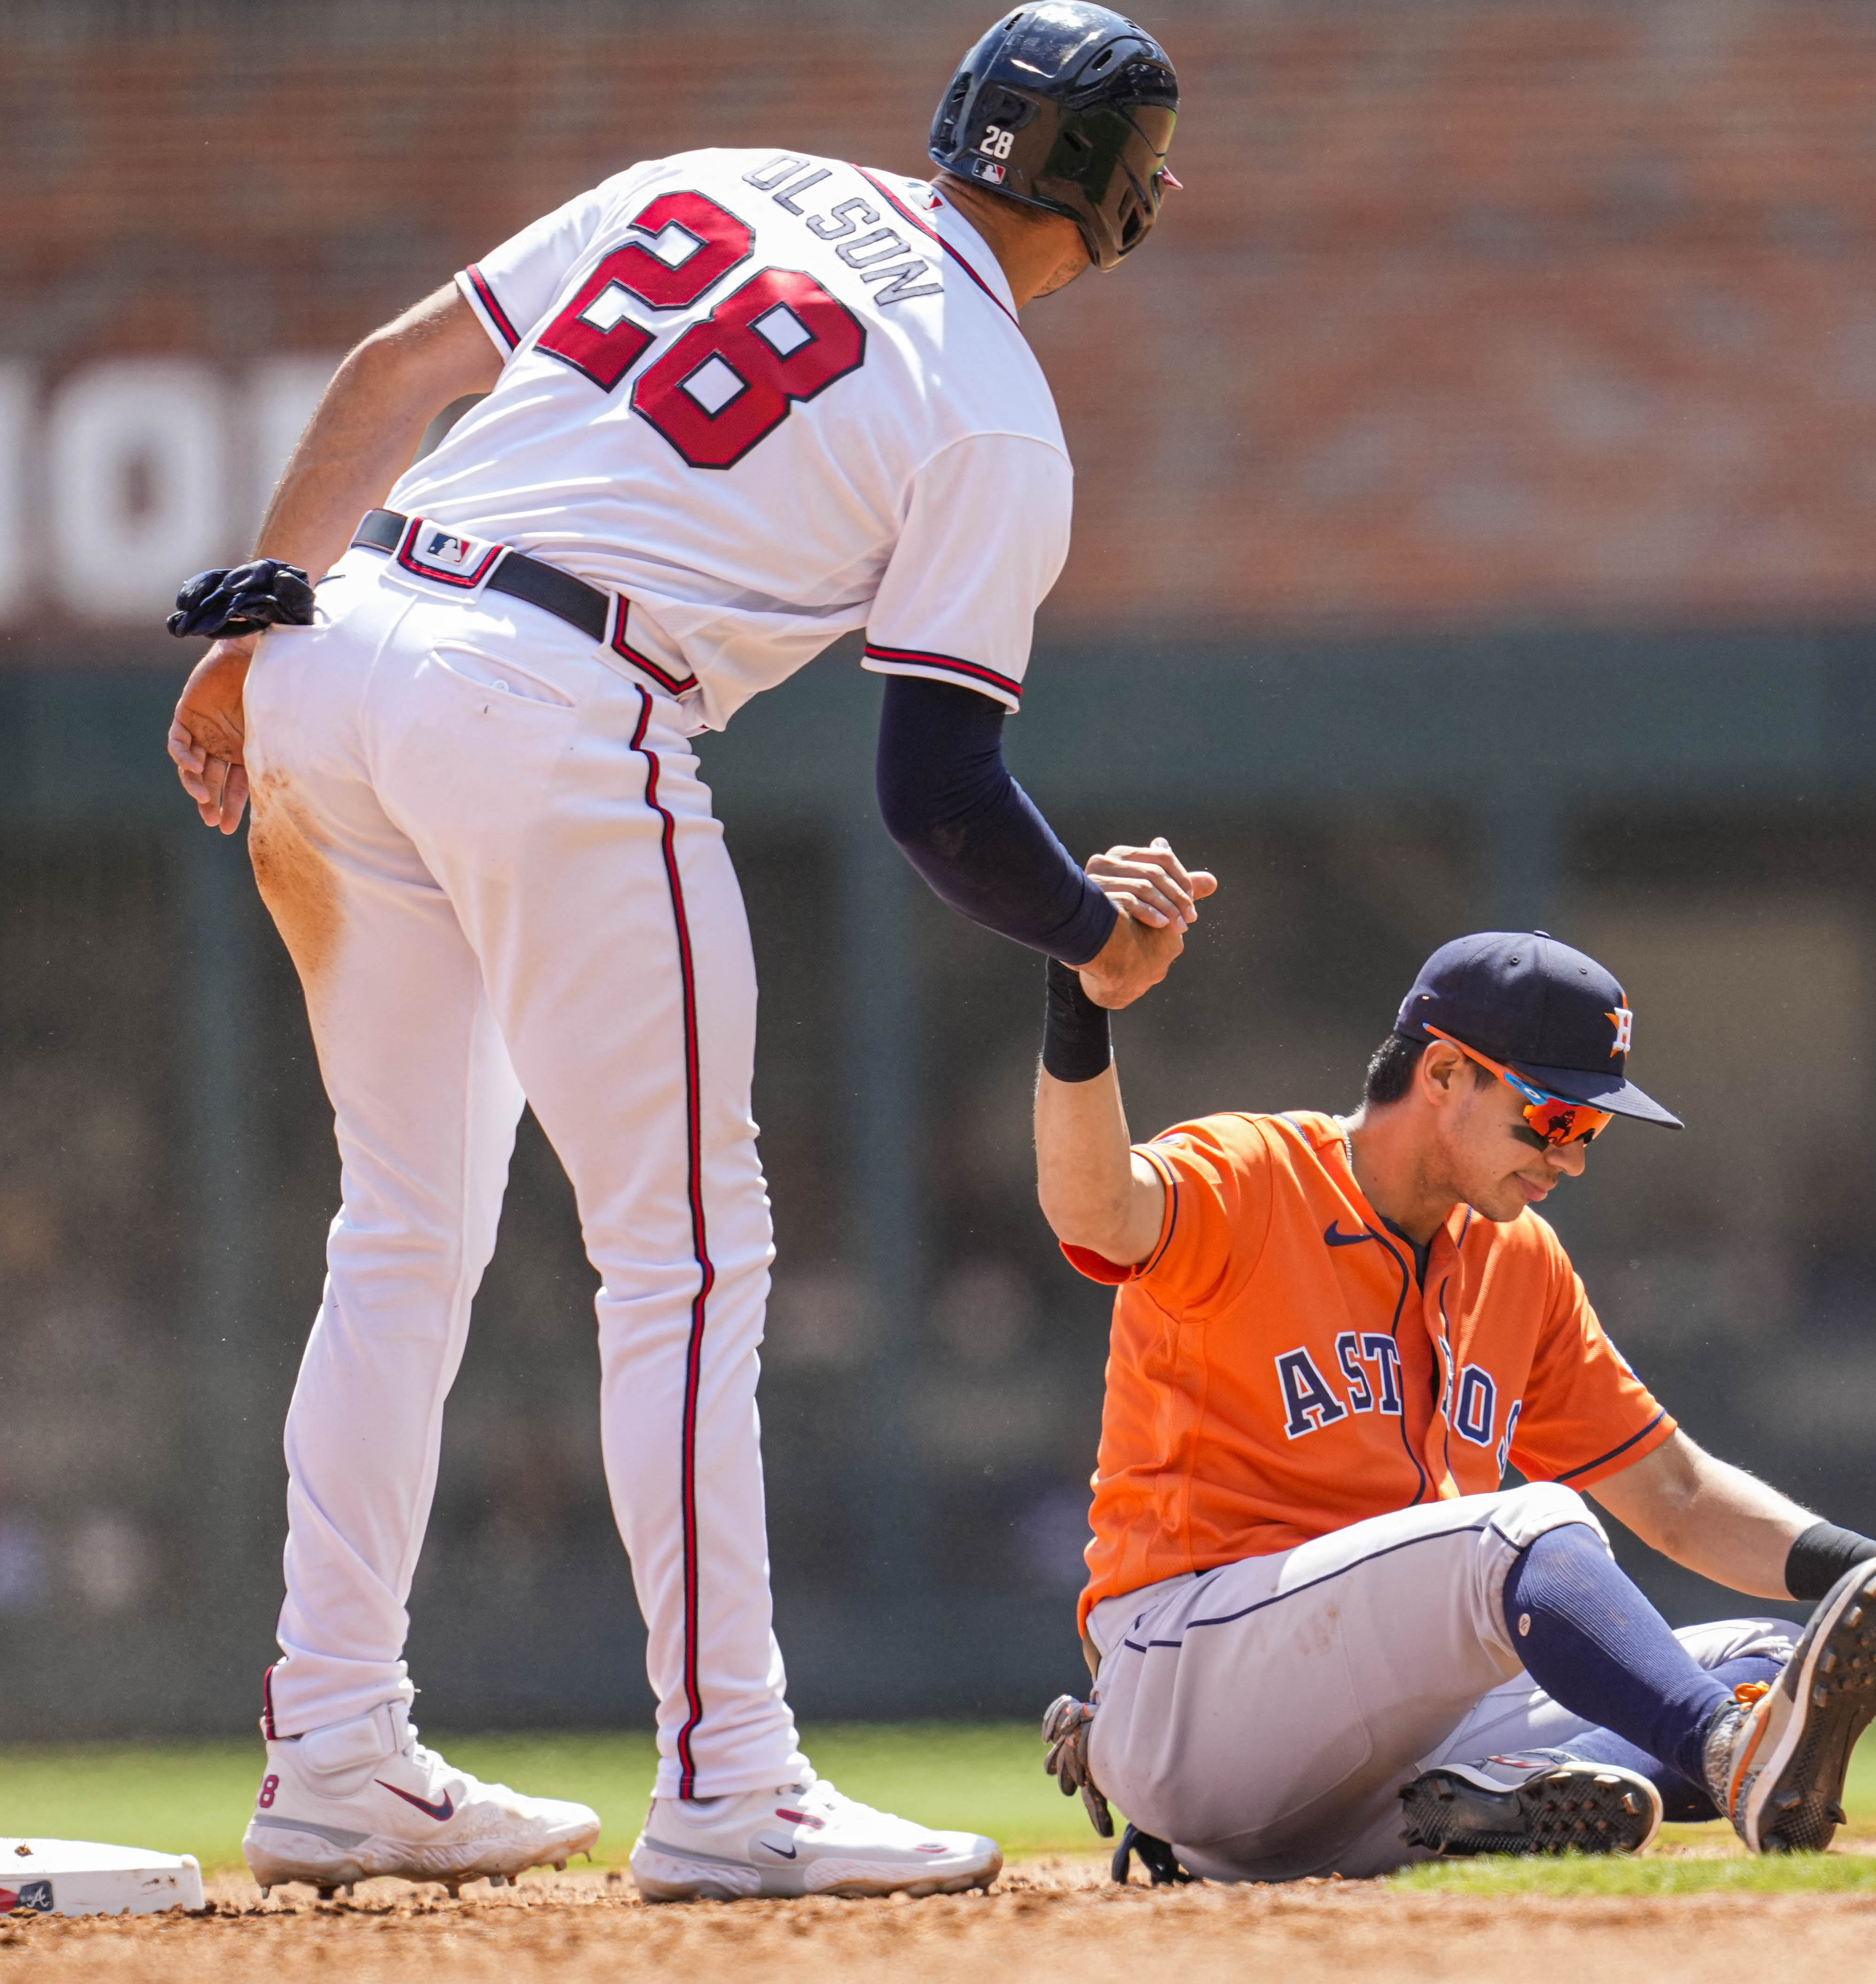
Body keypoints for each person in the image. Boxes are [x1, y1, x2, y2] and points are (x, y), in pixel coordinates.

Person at [160, 4, 1203, 1903]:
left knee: (402, 1229)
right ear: (1125, 206)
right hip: (558, 706)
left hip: (353, 630)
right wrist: (1095, 929)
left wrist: (250, 631)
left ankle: (330, 1746)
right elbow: (942, 794)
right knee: (690, 1259)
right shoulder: (993, 407)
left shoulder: (740, 177)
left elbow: (403, 368)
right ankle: (732, 1777)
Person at [1030, 926, 1876, 1880]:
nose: (1571, 1155)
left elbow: (1675, 1493)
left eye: (1593, 1128)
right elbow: (1093, 1207)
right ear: (1443, 1071)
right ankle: (1730, 1755)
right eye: (1555, 1116)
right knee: (1532, 1528)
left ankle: (1489, 1807)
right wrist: (1082, 1002)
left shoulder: (1515, 1260)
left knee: (1772, 1661)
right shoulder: (1252, 1175)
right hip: (1190, 1685)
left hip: (1367, 1762)